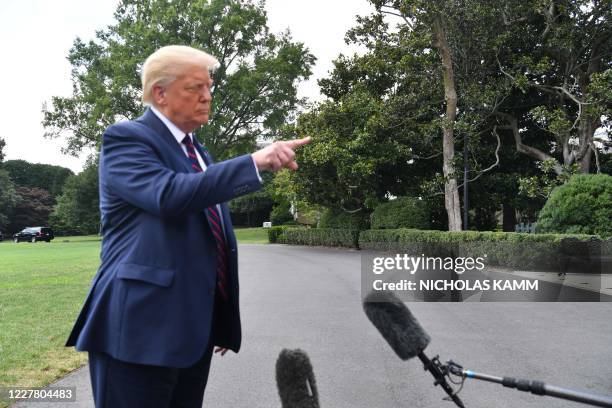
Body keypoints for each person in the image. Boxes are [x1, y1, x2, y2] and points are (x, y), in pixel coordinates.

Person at [65, 45, 310, 408]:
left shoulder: (197, 152)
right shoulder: (126, 139)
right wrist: (253, 162)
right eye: (195, 88)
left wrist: (219, 315)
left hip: (191, 331)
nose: (207, 96)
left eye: (209, 87)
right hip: (138, 331)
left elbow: (214, 238)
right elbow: (169, 195)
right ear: (160, 93)